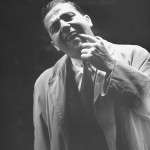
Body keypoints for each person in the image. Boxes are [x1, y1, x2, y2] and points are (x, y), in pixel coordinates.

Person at [33, 0, 150, 150]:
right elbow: (42, 143)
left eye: (68, 17)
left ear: (88, 20)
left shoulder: (135, 55)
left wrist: (111, 66)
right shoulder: (42, 83)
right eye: (55, 27)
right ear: (55, 45)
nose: (64, 26)